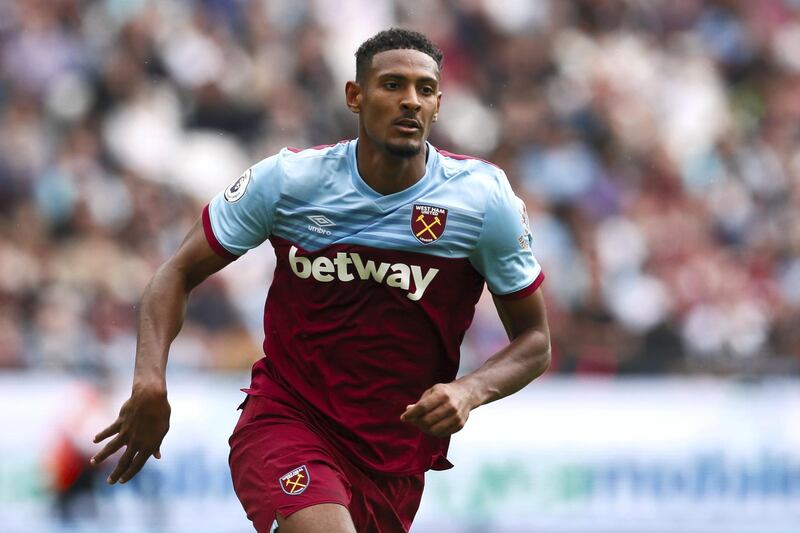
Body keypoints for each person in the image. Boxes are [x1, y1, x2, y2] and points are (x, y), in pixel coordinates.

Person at [90, 28, 551, 533]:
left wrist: (470, 390)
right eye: (392, 85)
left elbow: (535, 340)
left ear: (438, 104)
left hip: (391, 456)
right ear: (355, 96)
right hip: (287, 420)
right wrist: (150, 380)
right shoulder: (290, 182)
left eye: (424, 89)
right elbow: (174, 273)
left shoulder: (481, 201)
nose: (409, 102)